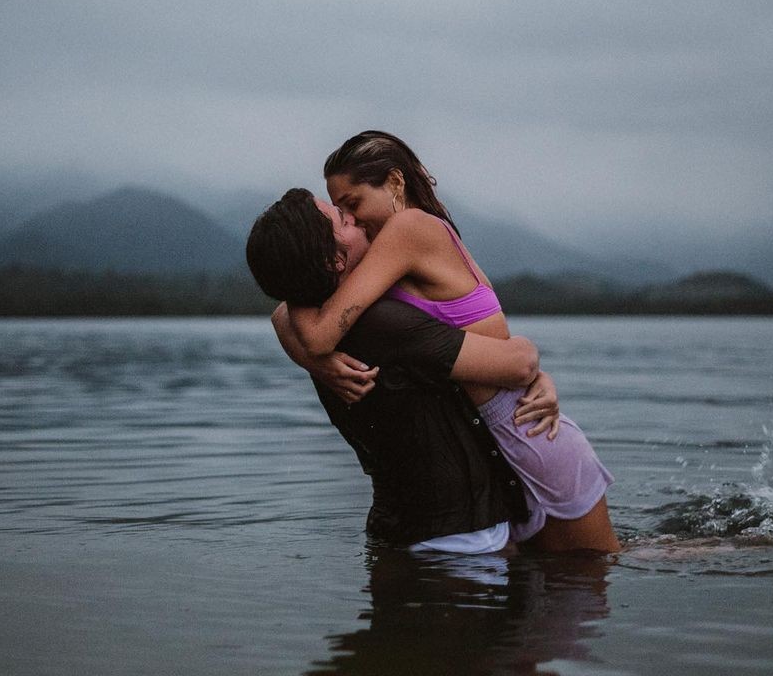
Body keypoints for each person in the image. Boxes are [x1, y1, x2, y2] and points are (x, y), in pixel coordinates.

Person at [284, 131, 619, 553]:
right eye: (338, 210)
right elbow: (291, 309)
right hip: (497, 447)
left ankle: (719, 553)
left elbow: (315, 329)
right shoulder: (391, 250)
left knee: (589, 582)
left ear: (394, 182)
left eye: (352, 204)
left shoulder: (410, 229)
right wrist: (316, 361)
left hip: (532, 438)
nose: (349, 219)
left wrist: (317, 358)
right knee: (549, 590)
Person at [248, 188, 559, 554]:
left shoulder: (315, 330)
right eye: (343, 221)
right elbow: (518, 363)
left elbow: (285, 310)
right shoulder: (382, 325)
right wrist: (532, 361)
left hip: (397, 527)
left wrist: (311, 357)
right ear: (334, 260)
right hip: (458, 537)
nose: (355, 219)